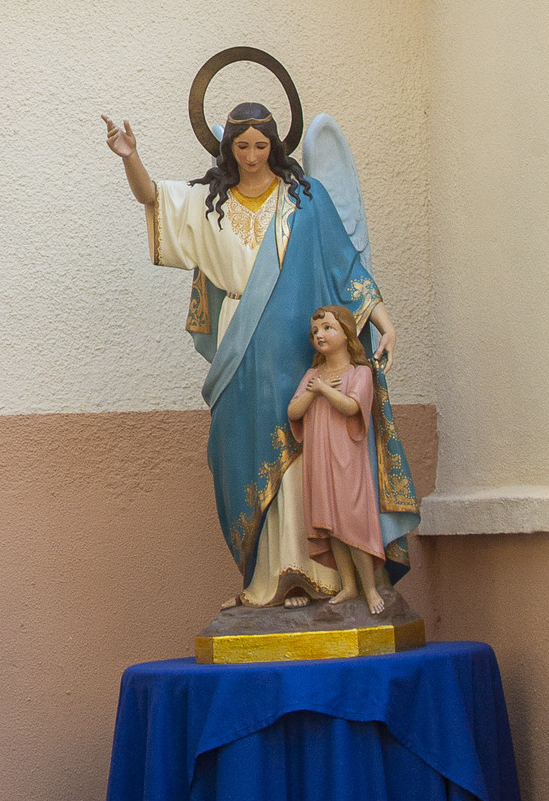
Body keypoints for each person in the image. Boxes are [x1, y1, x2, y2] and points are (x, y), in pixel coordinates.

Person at [102, 102, 417, 606]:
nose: (251, 156)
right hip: (238, 341)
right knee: (242, 450)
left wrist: (386, 325)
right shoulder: (212, 202)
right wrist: (129, 157)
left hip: (298, 344)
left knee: (307, 449)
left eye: (261, 145)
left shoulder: (304, 201)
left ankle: (321, 577)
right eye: (242, 146)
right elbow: (153, 198)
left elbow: (345, 265)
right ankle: (265, 578)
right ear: (228, 147)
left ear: (276, 146)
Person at [288, 306, 387, 613]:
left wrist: (324, 392)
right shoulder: (312, 375)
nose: (319, 335)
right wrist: (315, 390)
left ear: (347, 333)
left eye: (327, 328)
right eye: (315, 331)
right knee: (331, 525)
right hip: (319, 459)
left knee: (353, 522)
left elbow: (350, 407)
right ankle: (348, 585)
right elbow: (293, 412)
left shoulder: (360, 373)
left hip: (347, 459)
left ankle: (370, 589)